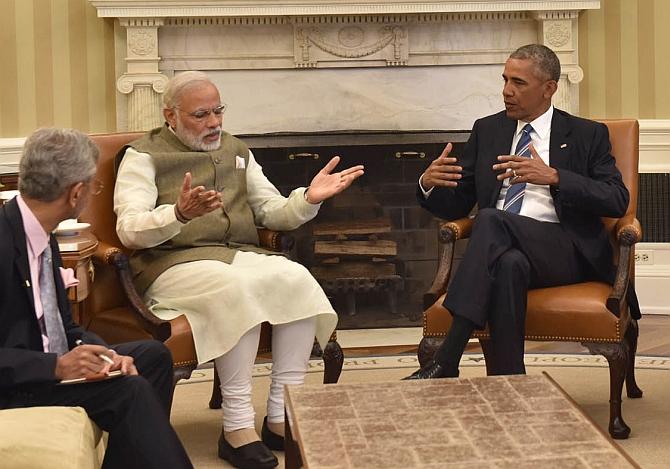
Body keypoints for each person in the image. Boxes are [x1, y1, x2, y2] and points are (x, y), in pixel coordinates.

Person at [114, 71, 364, 469]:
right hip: (172, 263)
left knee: (295, 277)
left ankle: (282, 416)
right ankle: (237, 428)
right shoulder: (142, 156)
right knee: (234, 289)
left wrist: (308, 199)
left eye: (218, 111)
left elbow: (271, 210)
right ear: (171, 115)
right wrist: (177, 214)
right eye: (201, 114)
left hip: (236, 255)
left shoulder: (236, 149)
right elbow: (128, 228)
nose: (214, 122)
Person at [406, 44, 640, 380]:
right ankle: (510, 382)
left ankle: (448, 355)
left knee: (490, 219)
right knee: (508, 263)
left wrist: (556, 177)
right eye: (504, 80)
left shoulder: (587, 134)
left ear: (549, 89)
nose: (506, 91)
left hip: (565, 251)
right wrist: (428, 184)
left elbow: (617, 200)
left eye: (518, 83)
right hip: (502, 248)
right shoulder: (488, 130)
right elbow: (458, 204)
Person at [0, 128, 193, 469]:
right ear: (76, 193)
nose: (94, 192)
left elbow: (64, 327)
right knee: (130, 391)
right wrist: (56, 366)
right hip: (19, 385)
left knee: (152, 356)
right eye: (94, 185)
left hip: (50, 366)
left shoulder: (40, 233)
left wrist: (104, 355)